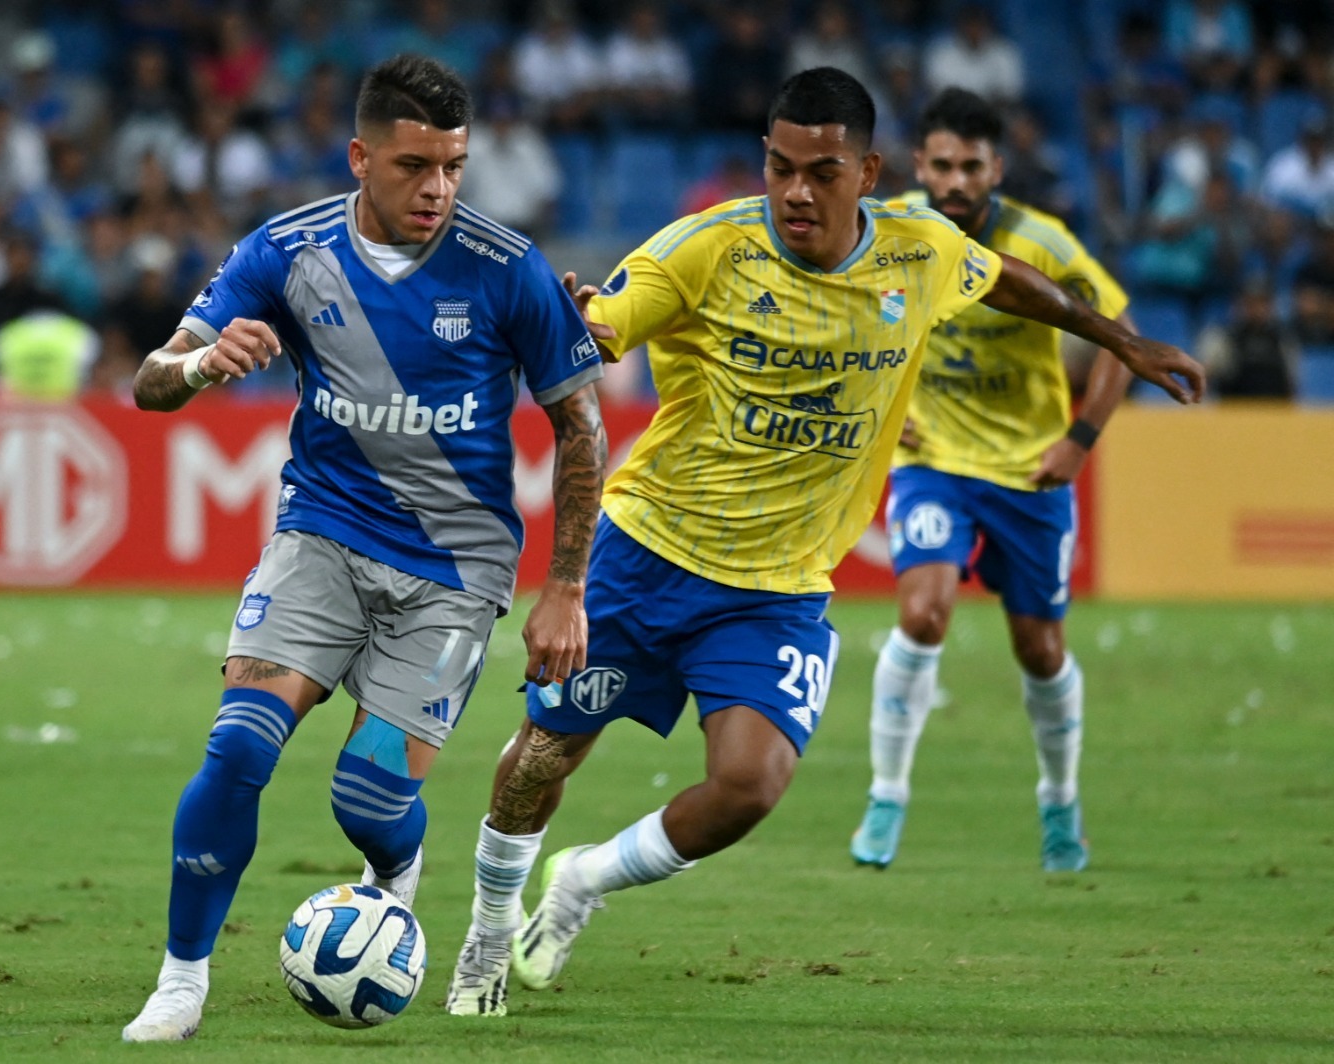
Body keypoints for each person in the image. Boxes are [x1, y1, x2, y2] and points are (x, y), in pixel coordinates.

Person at [443, 66, 1203, 1016]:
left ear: (870, 173)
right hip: (649, 553)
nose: (797, 191)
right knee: (546, 756)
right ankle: (483, 931)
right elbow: (597, 329)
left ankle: (584, 882)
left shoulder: (920, 251)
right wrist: (577, 320)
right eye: (780, 167)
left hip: (778, 585)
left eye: (823, 172)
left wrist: (1118, 342)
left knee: (751, 786)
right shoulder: (706, 248)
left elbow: (1007, 280)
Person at [120, 54, 606, 1042]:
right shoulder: (285, 250)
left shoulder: (505, 266)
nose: (436, 187)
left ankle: (393, 869)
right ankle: (180, 977)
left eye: (453, 166)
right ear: (360, 157)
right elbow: (149, 381)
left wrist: (565, 585)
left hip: (455, 576)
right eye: (413, 164)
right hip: (322, 535)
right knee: (239, 744)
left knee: (369, 793)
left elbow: (583, 428)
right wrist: (203, 363)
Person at [847, 87, 1141, 875]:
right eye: (942, 165)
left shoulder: (1042, 243)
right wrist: (875, 405)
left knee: (1040, 650)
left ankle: (1058, 799)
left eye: (971, 167)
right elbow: (834, 323)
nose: (956, 182)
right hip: (934, 464)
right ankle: (887, 794)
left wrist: (1080, 440)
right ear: (920, 166)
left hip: (1028, 472)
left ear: (996, 169)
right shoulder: (889, 231)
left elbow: (1122, 336)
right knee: (924, 612)